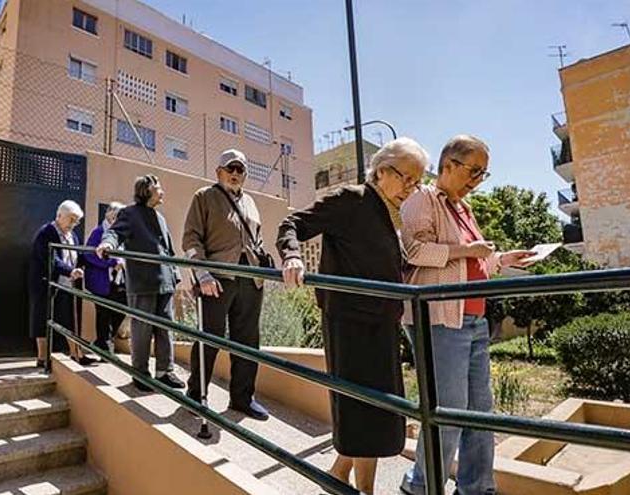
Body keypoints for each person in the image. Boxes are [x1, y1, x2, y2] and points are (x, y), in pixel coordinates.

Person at [277, 138, 429, 494]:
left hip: (381, 324)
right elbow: (292, 224)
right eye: (406, 178)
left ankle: (337, 477)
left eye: (416, 181)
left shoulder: (388, 212)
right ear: (381, 170)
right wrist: (292, 257)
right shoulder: (351, 199)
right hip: (352, 324)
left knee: (377, 413)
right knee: (365, 417)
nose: (411, 188)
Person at [399, 135, 535, 495]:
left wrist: (504, 259)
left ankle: (477, 489)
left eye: (483, 174)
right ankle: (422, 487)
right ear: (448, 165)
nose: (477, 179)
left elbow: (475, 262)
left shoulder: (464, 208)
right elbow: (414, 250)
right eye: (473, 170)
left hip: (473, 320)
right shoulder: (421, 199)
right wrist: (467, 249)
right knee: (450, 409)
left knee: (480, 411)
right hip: (441, 318)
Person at [183, 149, 271, 420]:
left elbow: (257, 239)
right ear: (219, 171)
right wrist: (203, 274)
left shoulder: (251, 203)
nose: (235, 174)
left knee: (247, 341)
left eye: (240, 170)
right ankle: (196, 395)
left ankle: (242, 398)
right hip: (217, 279)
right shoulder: (204, 197)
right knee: (210, 337)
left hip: (250, 279)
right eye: (230, 169)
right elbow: (191, 240)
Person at [96, 174, 185, 392]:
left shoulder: (160, 218)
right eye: (158, 187)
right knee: (142, 329)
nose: (162, 191)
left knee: (165, 329)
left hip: (165, 281)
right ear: (146, 190)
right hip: (143, 282)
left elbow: (169, 250)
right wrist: (107, 244)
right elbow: (114, 233)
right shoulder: (130, 213)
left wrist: (176, 275)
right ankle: (140, 373)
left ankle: (165, 372)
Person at [28, 200, 96, 368]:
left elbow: (77, 256)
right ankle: (42, 358)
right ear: (59, 216)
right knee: (43, 319)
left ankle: (76, 354)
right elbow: (50, 258)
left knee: (69, 320)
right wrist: (69, 270)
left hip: (67, 284)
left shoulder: (72, 235)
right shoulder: (46, 233)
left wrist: (86, 262)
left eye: (77, 220)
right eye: (71, 219)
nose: (74, 224)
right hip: (46, 283)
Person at [83, 202, 127, 354]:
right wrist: (111, 263)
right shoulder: (98, 232)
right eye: (115, 215)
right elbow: (89, 255)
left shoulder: (122, 233)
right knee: (103, 314)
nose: (117, 219)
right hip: (101, 281)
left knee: (121, 308)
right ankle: (106, 348)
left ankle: (101, 342)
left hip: (119, 281)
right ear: (108, 214)